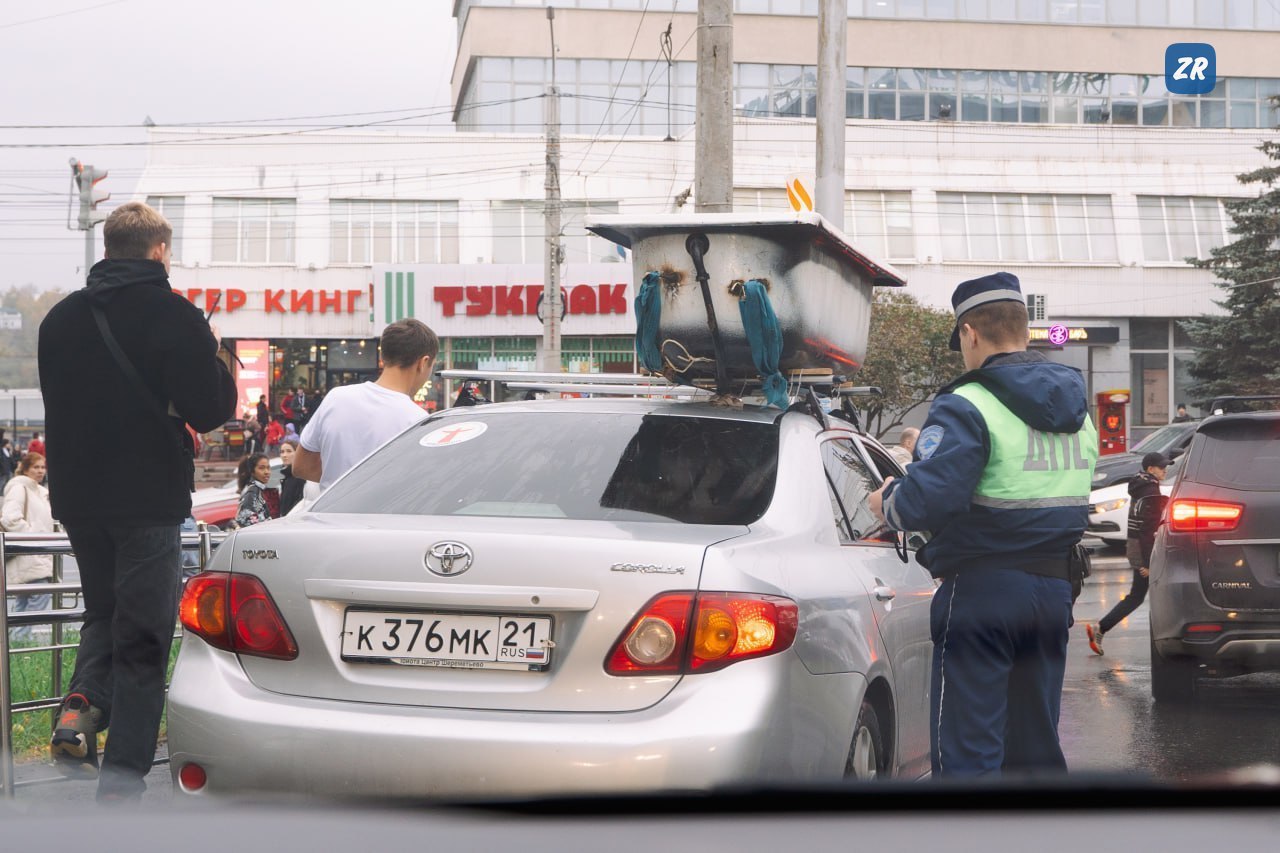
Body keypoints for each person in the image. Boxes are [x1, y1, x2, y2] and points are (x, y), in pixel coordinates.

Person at [37, 200, 237, 801]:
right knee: (146, 637)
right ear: (160, 252)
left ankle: (80, 705)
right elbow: (211, 409)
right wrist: (216, 350)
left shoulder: (59, 319)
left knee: (103, 612)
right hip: (146, 498)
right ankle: (122, 785)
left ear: (106, 250)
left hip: (77, 497)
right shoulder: (176, 317)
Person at [868, 272, 1097, 778]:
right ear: (1024, 328)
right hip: (1054, 592)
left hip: (983, 595)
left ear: (970, 333)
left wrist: (887, 501)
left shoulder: (969, 403)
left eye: (961, 344)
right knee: (1035, 749)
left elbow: (927, 501)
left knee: (968, 754)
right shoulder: (1078, 410)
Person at [294, 318, 438, 490]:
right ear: (423, 363)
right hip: (383, 516)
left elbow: (301, 467)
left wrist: (342, 482)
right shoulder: (418, 421)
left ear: (384, 356)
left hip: (328, 514)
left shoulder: (336, 398)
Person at [1086, 452, 1170, 656]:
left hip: (1135, 546)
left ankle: (1101, 628)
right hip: (1144, 550)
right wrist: (1147, 563)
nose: (1165, 470)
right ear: (1150, 469)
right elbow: (1148, 530)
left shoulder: (1139, 484)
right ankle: (1102, 628)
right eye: (1161, 467)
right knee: (1149, 595)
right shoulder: (1150, 491)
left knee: (1139, 596)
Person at [3, 452, 53, 644]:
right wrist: (32, 535)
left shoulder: (39, 491)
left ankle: (15, 645)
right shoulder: (19, 488)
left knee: (23, 603)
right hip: (31, 552)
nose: (40, 471)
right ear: (25, 469)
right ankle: (21, 641)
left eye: (43, 467)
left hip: (35, 553)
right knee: (40, 595)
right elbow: (9, 517)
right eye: (36, 467)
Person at [234, 453, 278, 528]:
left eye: (268, 468)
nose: (267, 472)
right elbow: (247, 522)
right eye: (261, 468)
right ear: (252, 471)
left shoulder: (257, 489)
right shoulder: (252, 492)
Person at [277, 438, 306, 517]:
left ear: (297, 453)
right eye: (282, 452)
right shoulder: (287, 478)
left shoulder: (301, 477)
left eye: (289, 451)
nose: (284, 455)